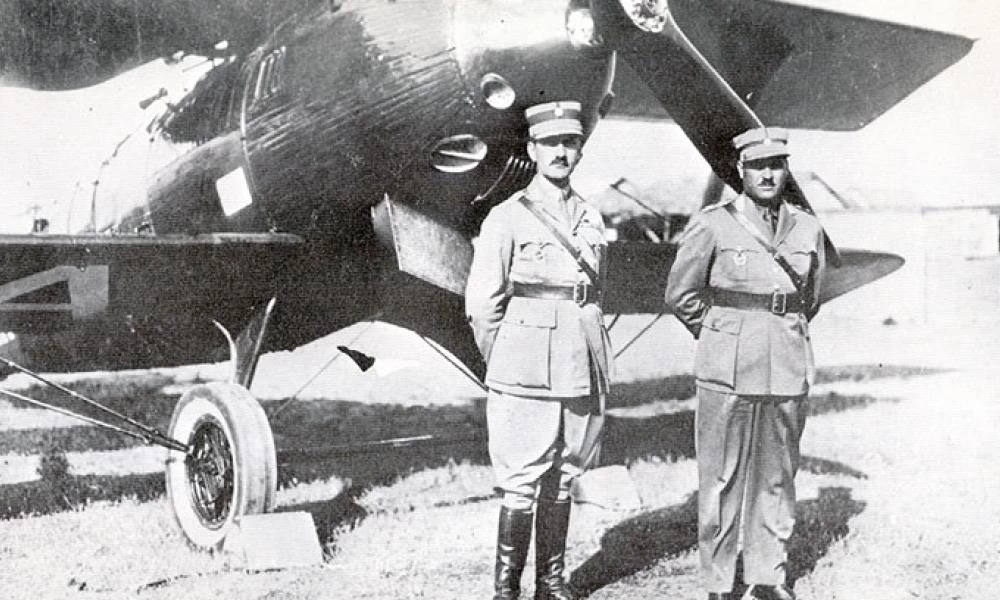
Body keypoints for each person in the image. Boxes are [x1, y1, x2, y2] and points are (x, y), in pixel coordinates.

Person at [665, 127, 826, 600]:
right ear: (740, 170)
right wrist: (721, 332)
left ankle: (767, 577)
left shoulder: (807, 228)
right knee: (721, 478)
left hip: (786, 365)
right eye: (758, 166)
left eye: (776, 165)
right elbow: (681, 293)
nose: (768, 175)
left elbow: (810, 298)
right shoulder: (713, 224)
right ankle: (718, 583)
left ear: (786, 170)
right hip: (728, 369)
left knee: (777, 476)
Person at [465, 100, 612, 600]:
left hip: (581, 360)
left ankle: (550, 584)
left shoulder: (591, 216)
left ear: (579, 151)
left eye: (569, 143)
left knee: (566, 474)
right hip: (524, 366)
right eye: (550, 143)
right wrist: (507, 360)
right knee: (521, 480)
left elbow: (595, 292)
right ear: (532, 150)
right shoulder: (506, 218)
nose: (560, 152)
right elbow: (482, 306)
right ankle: (507, 590)